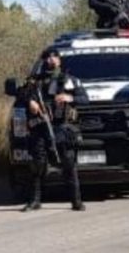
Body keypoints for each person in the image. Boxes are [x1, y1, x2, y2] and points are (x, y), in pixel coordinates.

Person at [19, 48, 88, 213]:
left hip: (62, 127)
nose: (51, 59)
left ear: (59, 60)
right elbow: (21, 95)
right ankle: (35, 201)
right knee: (37, 165)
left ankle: (76, 201)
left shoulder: (69, 80)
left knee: (68, 164)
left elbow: (85, 99)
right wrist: (30, 102)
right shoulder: (35, 82)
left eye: (54, 56)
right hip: (40, 127)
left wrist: (69, 97)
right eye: (48, 57)